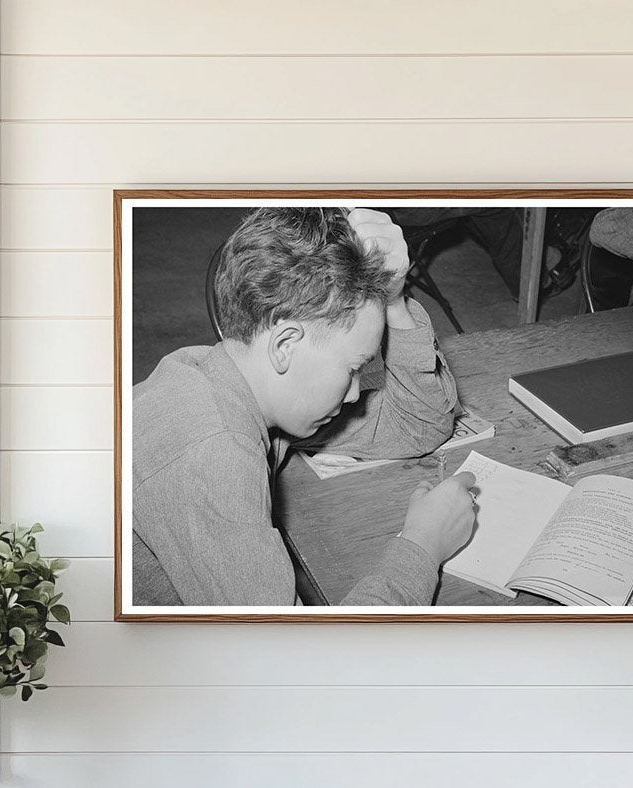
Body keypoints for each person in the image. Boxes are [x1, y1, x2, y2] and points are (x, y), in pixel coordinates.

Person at [132, 206, 477, 607]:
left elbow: (418, 425)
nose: (354, 394)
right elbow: (298, 661)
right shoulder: (212, 455)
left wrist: (395, 301)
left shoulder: (240, 377)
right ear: (284, 345)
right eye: (352, 369)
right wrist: (423, 545)